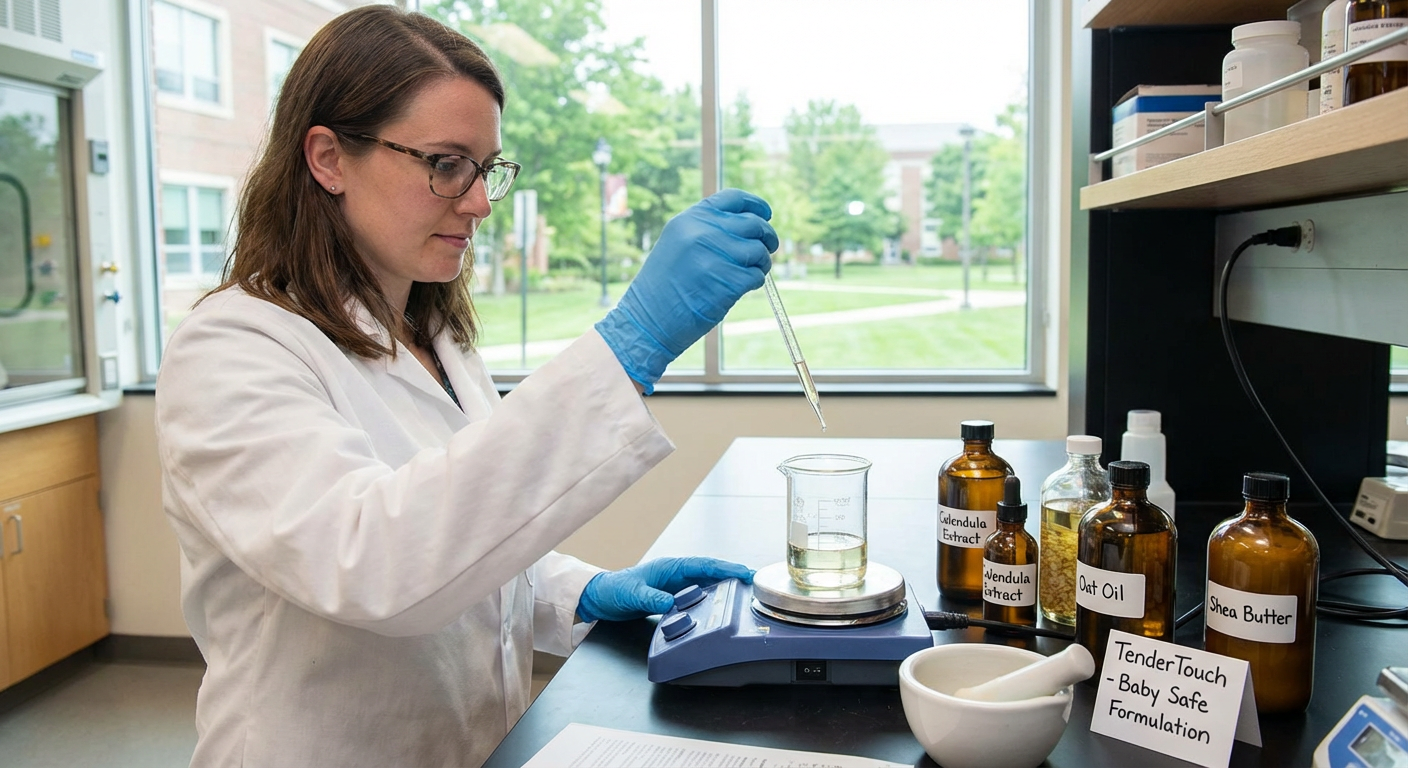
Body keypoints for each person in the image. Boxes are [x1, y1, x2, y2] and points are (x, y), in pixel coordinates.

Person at [154, 6, 777, 767]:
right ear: (328, 158)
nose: (480, 202)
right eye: (445, 164)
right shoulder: (232, 348)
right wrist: (628, 347)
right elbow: (374, 562)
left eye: (486, 169)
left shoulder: (434, 333)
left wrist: (575, 593)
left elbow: (457, 515)